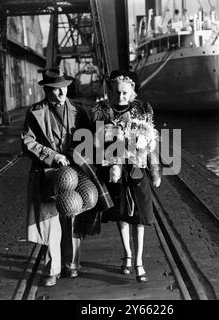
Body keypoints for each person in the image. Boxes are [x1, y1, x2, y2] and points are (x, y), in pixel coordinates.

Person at [21, 68, 111, 286]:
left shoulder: (80, 111)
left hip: (76, 172)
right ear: (46, 90)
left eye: (64, 89)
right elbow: (27, 142)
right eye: (55, 90)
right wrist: (52, 156)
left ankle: (71, 265)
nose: (61, 94)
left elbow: (92, 138)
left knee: (73, 216)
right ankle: (52, 270)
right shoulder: (35, 112)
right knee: (50, 220)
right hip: (48, 173)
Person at [92, 70, 161, 282]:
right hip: (115, 170)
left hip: (137, 169)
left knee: (139, 217)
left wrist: (155, 170)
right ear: (111, 92)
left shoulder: (143, 109)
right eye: (116, 92)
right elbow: (96, 143)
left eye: (125, 93)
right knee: (122, 215)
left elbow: (151, 144)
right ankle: (127, 255)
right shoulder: (102, 111)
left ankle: (139, 260)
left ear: (132, 92)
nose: (120, 97)